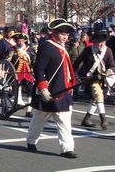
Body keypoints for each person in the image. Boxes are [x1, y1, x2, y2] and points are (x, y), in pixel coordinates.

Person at [26, 19, 77, 159]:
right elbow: (39, 68)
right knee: (39, 118)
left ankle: (67, 148)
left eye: (67, 34)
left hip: (63, 89)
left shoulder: (62, 47)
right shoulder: (47, 46)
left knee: (64, 120)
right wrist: (43, 87)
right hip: (50, 89)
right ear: (54, 33)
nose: (65, 36)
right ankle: (31, 141)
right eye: (62, 33)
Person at [73, 30, 115, 130]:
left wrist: (109, 71)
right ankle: (103, 119)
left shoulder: (108, 51)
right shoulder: (88, 50)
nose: (101, 44)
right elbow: (77, 63)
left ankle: (86, 119)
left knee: (97, 99)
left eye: (103, 42)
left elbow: (112, 65)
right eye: (99, 42)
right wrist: (74, 75)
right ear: (94, 42)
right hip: (90, 78)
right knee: (98, 95)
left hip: (103, 79)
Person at [11, 33, 36, 117]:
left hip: (28, 72)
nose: (19, 42)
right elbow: (8, 61)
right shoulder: (12, 49)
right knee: (17, 88)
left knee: (30, 90)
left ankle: (29, 110)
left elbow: (34, 59)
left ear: (24, 40)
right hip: (16, 73)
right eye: (17, 40)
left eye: (21, 40)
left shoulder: (29, 49)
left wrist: (33, 68)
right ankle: (17, 103)